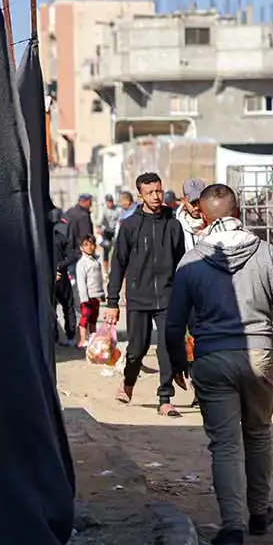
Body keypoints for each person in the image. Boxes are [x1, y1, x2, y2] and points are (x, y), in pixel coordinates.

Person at [165, 183, 273, 545]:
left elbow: (174, 323)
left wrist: (177, 362)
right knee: (258, 434)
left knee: (225, 445)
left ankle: (232, 527)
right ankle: (258, 513)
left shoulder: (192, 261)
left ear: (204, 215)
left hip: (212, 359)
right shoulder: (265, 253)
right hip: (260, 354)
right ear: (238, 211)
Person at [105, 172, 187, 417]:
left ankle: (165, 398)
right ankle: (128, 382)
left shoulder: (173, 225)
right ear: (140, 195)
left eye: (159, 191)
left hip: (167, 296)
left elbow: (181, 262)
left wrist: (185, 296)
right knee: (136, 349)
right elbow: (118, 263)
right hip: (138, 297)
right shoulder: (130, 226)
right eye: (150, 192)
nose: (156, 196)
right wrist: (112, 302)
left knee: (167, 347)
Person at [50, 209, 77, 345]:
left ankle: (54, 338)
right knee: (69, 307)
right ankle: (71, 337)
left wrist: (52, 270)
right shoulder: (61, 237)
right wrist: (60, 267)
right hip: (62, 278)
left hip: (48, 279)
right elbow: (73, 255)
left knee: (50, 309)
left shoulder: (38, 239)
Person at [74, 235, 105, 347]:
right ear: (81, 247)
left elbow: (99, 279)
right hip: (87, 297)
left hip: (95, 296)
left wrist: (102, 294)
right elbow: (81, 282)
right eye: (86, 245)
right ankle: (82, 339)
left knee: (93, 318)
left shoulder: (95, 261)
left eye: (92, 244)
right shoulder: (82, 263)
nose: (90, 247)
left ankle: (93, 338)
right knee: (85, 317)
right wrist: (84, 298)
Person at [177, 178, 207, 253]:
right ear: (184, 200)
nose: (197, 207)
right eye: (193, 203)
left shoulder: (213, 223)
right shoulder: (177, 226)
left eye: (199, 202)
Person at [99, 195, 118, 268]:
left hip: (115, 231)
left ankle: (115, 266)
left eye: (111, 202)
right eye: (108, 202)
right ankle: (106, 269)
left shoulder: (117, 209)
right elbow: (100, 220)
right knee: (106, 249)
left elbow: (121, 218)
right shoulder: (103, 210)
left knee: (117, 248)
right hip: (106, 231)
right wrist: (99, 228)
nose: (110, 204)